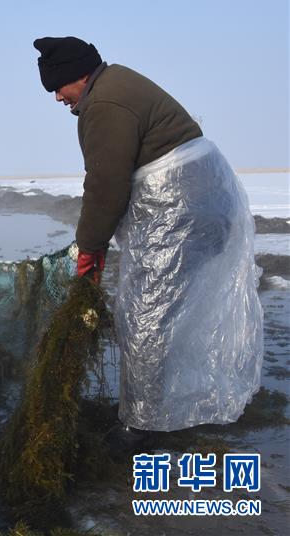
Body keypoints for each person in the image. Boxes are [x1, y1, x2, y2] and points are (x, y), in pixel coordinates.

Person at [33, 36, 263, 443]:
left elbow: (106, 184)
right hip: (206, 197)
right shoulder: (116, 82)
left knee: (146, 313)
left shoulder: (103, 104)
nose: (56, 98)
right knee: (175, 308)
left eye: (57, 88)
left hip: (181, 204)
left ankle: (142, 425)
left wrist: (89, 249)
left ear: (79, 76)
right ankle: (183, 402)